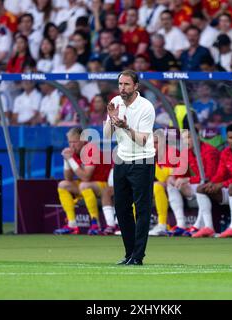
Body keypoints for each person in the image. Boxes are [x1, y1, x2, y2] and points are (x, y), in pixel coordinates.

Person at [103, 70, 155, 266]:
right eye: (120, 84)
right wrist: (111, 118)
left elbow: (142, 140)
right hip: (122, 160)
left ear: (136, 86)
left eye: (126, 84)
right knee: (122, 208)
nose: (122, 88)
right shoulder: (115, 102)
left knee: (142, 209)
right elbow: (107, 136)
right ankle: (129, 253)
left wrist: (125, 127)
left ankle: (138, 257)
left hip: (143, 160)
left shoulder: (146, 107)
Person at [54, 127, 113, 236]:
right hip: (87, 185)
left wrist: (71, 160)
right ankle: (72, 224)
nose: (72, 145)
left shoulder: (91, 150)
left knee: (84, 185)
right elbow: (69, 178)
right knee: (63, 185)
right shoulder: (74, 152)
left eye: (75, 142)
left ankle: (95, 223)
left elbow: (86, 177)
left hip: (104, 185)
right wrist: (67, 161)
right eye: (70, 142)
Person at [167, 129, 220, 237]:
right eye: (183, 138)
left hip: (213, 186)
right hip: (197, 185)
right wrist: (173, 178)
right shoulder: (186, 152)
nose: (186, 141)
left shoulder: (210, 151)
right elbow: (179, 172)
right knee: (171, 185)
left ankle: (199, 225)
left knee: (200, 187)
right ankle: (181, 224)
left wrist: (187, 180)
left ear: (198, 137)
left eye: (189, 137)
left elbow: (209, 177)